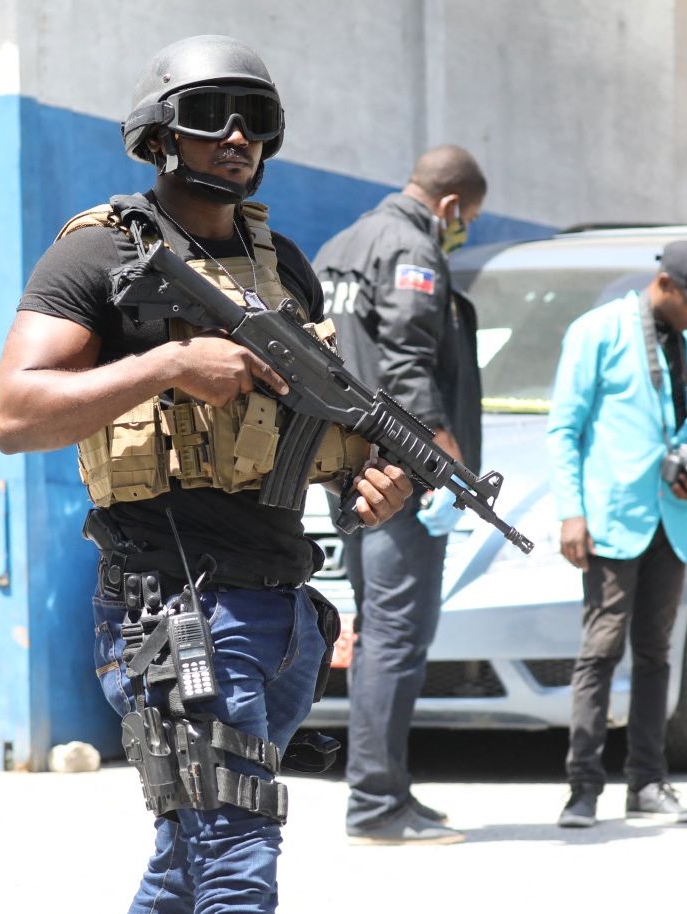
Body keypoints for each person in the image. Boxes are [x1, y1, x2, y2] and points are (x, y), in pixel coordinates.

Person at [0, 34, 412, 913]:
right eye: (209, 114)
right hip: (176, 609)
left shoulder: (285, 266)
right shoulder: (97, 254)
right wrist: (167, 365)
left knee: (191, 862)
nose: (235, 134)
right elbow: (16, 415)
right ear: (159, 132)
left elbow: (304, 431)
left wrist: (367, 478)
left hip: (283, 610)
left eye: (255, 118)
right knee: (235, 867)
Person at [312, 145, 487, 845]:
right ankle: (378, 805)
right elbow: (408, 359)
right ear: (450, 206)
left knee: (380, 630)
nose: (459, 230)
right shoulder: (412, 246)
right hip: (401, 475)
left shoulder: (339, 245)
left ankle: (389, 791)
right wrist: (441, 452)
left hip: (347, 466)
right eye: (465, 220)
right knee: (396, 635)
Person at [546, 240, 687, 829]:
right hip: (609, 520)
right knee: (599, 653)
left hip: (669, 520)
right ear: (667, 285)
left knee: (656, 654)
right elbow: (564, 429)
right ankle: (582, 788)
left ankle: (649, 781)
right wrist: (571, 513)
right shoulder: (596, 331)